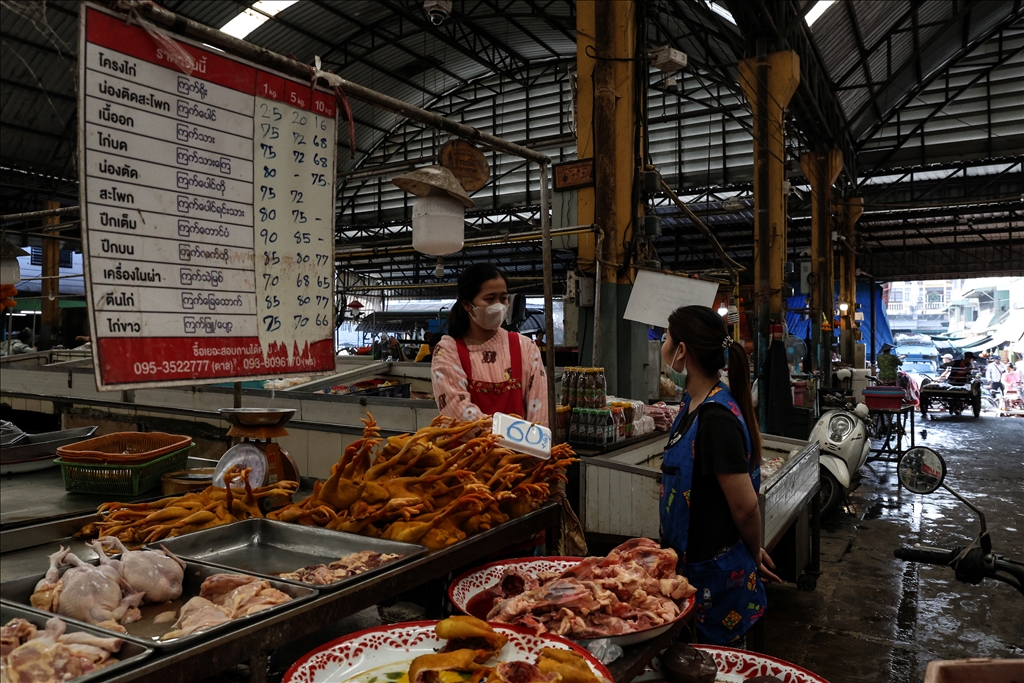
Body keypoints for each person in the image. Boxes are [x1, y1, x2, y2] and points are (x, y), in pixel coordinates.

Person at [659, 305, 780, 647]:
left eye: (666, 338)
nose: (663, 346)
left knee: (716, 667)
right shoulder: (691, 404)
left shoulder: (715, 419)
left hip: (712, 581)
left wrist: (753, 554)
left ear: (682, 351)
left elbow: (745, 508)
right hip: (688, 571)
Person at [431, 263, 548, 426]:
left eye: (503, 298)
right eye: (490, 299)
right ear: (466, 304)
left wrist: (532, 445)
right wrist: (515, 438)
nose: (499, 306)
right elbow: (456, 411)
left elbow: (540, 412)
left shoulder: (525, 347)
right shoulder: (448, 351)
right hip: (466, 451)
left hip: (521, 451)